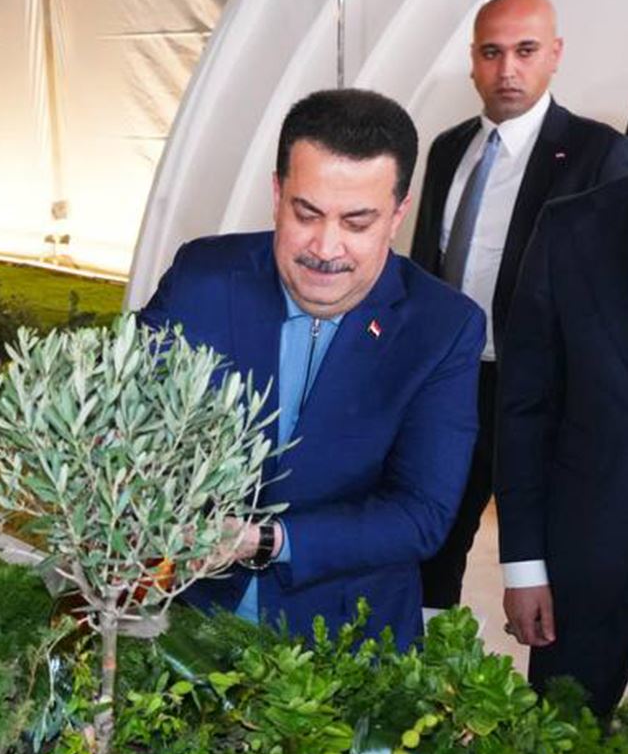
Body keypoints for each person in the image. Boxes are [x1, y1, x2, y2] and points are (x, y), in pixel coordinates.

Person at [139, 88, 484, 650]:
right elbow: (123, 411)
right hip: (190, 624)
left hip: (346, 641)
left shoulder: (442, 328)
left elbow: (420, 514)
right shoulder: (202, 276)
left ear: (397, 214)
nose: (326, 247)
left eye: (357, 222)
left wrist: (266, 539)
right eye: (307, 214)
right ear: (277, 194)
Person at [408, 0, 628, 610]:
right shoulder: (448, 148)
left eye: (525, 51)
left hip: (546, 393)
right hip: (452, 382)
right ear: (472, 60)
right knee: (430, 544)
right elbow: (425, 269)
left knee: (553, 563)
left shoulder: (597, 151)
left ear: (555, 53)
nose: (508, 69)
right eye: (492, 52)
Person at [496, 175, 628, 716]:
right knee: (560, 753)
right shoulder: (569, 227)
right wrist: (524, 565)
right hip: (586, 574)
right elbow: (525, 410)